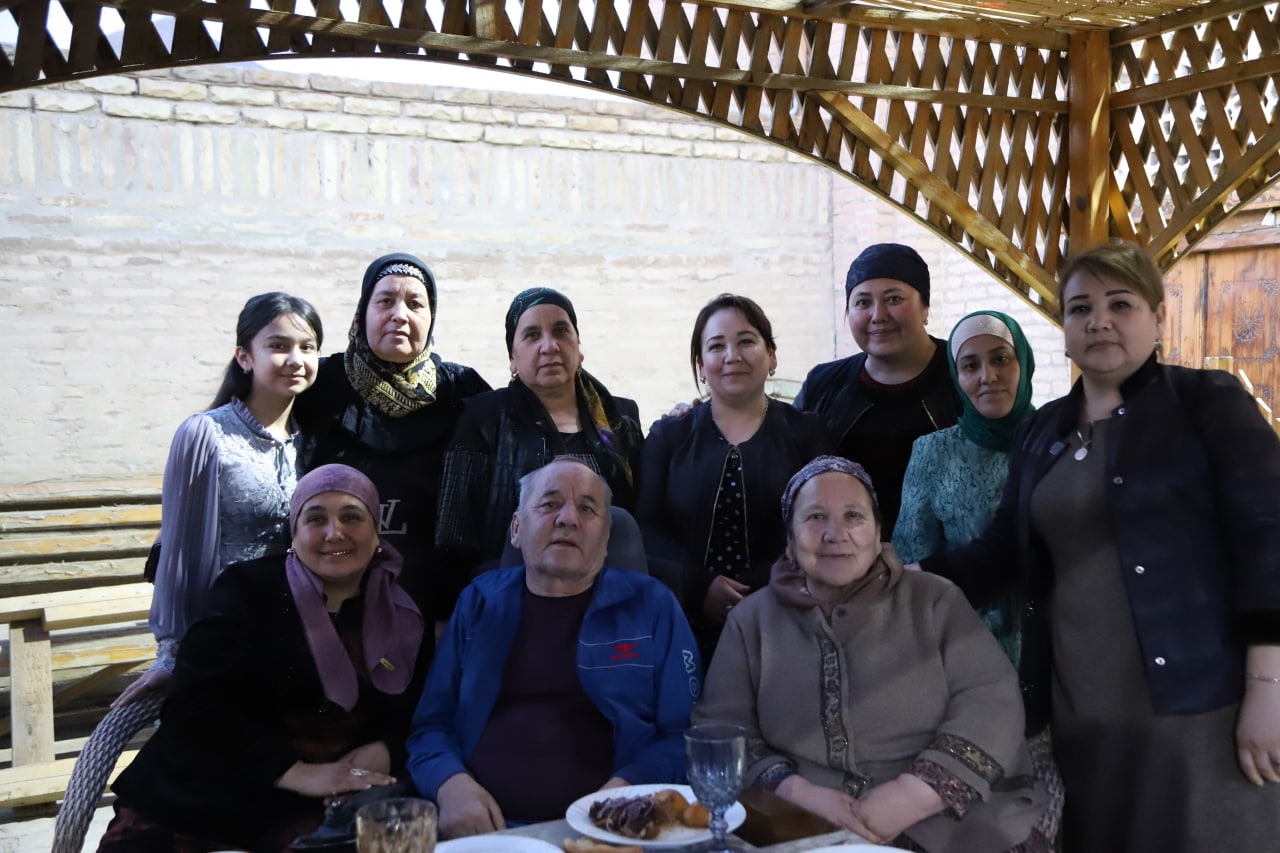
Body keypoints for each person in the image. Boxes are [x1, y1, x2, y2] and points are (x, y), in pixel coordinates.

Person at [918, 240, 1280, 852]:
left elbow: (1267, 542)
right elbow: (1001, 553)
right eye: (1081, 308)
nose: (1099, 321)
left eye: (1121, 304)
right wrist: (895, 576)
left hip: (1199, 706)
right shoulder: (1043, 430)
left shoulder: (1207, 402)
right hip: (1083, 709)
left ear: (1158, 317)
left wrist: (1268, 691)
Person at [54, 292, 324, 853]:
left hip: (295, 652)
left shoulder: (317, 443)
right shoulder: (206, 435)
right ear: (244, 356)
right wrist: (174, 655)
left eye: (307, 346)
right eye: (278, 345)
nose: (295, 359)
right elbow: (179, 556)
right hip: (219, 654)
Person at [694, 456, 1050, 853]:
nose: (836, 534)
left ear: (878, 533)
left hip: (948, 821)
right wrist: (795, 791)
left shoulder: (935, 600)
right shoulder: (751, 620)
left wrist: (917, 792)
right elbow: (721, 728)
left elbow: (991, 700)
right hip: (798, 823)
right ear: (791, 542)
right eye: (815, 517)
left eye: (854, 516)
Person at [98, 465, 428, 852]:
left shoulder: (403, 611)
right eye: (315, 518)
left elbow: (422, 707)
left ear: (375, 533)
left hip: (324, 802)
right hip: (204, 789)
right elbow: (193, 703)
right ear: (294, 532)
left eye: (351, 517)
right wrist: (292, 771)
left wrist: (387, 749)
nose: (334, 532)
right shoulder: (246, 589)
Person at [407, 458, 701, 839]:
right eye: (549, 504)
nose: (568, 519)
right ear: (516, 528)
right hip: (484, 833)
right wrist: (450, 785)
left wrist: (625, 794)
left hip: (612, 831)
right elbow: (431, 725)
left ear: (606, 539)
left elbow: (685, 735)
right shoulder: (478, 602)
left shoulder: (653, 606)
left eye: (587, 508)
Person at [294, 252, 490, 625]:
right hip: (327, 598)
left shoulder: (462, 392)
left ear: (431, 318)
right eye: (385, 301)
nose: (400, 314)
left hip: (433, 604)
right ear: (362, 313)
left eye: (415, 304)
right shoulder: (321, 386)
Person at [637, 293, 831, 660]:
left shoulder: (807, 434)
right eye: (716, 346)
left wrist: (758, 586)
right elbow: (643, 530)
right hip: (681, 618)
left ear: (771, 356)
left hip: (785, 613)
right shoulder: (669, 436)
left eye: (746, 341)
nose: (732, 356)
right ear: (701, 365)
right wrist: (698, 585)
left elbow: (823, 521)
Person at [436, 287, 644, 576]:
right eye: (532, 335)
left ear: (579, 348)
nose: (549, 346)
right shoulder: (483, 418)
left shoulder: (620, 418)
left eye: (561, 331)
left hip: (614, 583)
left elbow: (642, 519)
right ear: (513, 358)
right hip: (509, 585)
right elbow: (454, 533)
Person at [893, 310, 1036, 663]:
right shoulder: (934, 452)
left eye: (1001, 359)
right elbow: (913, 559)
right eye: (971, 366)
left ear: (1023, 362)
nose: (988, 377)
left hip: (1055, 646)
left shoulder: (1054, 441)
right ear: (957, 377)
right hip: (964, 648)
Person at [794, 243, 962, 533]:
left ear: (925, 308)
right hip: (843, 551)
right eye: (862, 302)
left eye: (894, 299)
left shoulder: (966, 375)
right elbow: (786, 465)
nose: (878, 315)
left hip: (951, 556)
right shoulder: (823, 385)